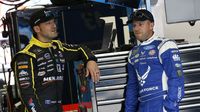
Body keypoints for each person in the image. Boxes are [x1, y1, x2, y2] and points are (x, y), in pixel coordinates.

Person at [11, 9, 100, 112]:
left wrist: (91, 60)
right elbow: (27, 94)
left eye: (53, 22)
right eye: (48, 23)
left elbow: (81, 49)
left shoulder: (58, 47)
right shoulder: (26, 55)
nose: (54, 26)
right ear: (37, 29)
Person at [125, 9, 185, 112]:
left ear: (151, 25)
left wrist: (170, 106)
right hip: (143, 106)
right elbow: (132, 87)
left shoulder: (165, 45)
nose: (136, 28)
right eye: (134, 25)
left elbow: (176, 78)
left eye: (140, 24)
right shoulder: (132, 53)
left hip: (162, 104)